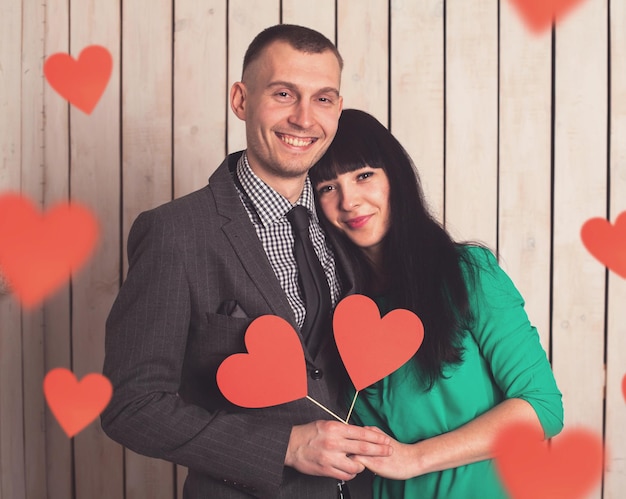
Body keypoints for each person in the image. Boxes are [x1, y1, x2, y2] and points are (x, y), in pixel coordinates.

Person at [101, 27, 392, 499]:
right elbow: (130, 407)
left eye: (322, 99)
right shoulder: (176, 233)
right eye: (283, 94)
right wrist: (285, 446)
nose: (303, 118)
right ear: (240, 99)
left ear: (337, 109)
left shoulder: (349, 221)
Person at [310, 109, 564, 499]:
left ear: (395, 176)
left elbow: (542, 408)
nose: (349, 201)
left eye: (363, 176)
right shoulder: (334, 308)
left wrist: (414, 458)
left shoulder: (468, 274)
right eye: (328, 187)